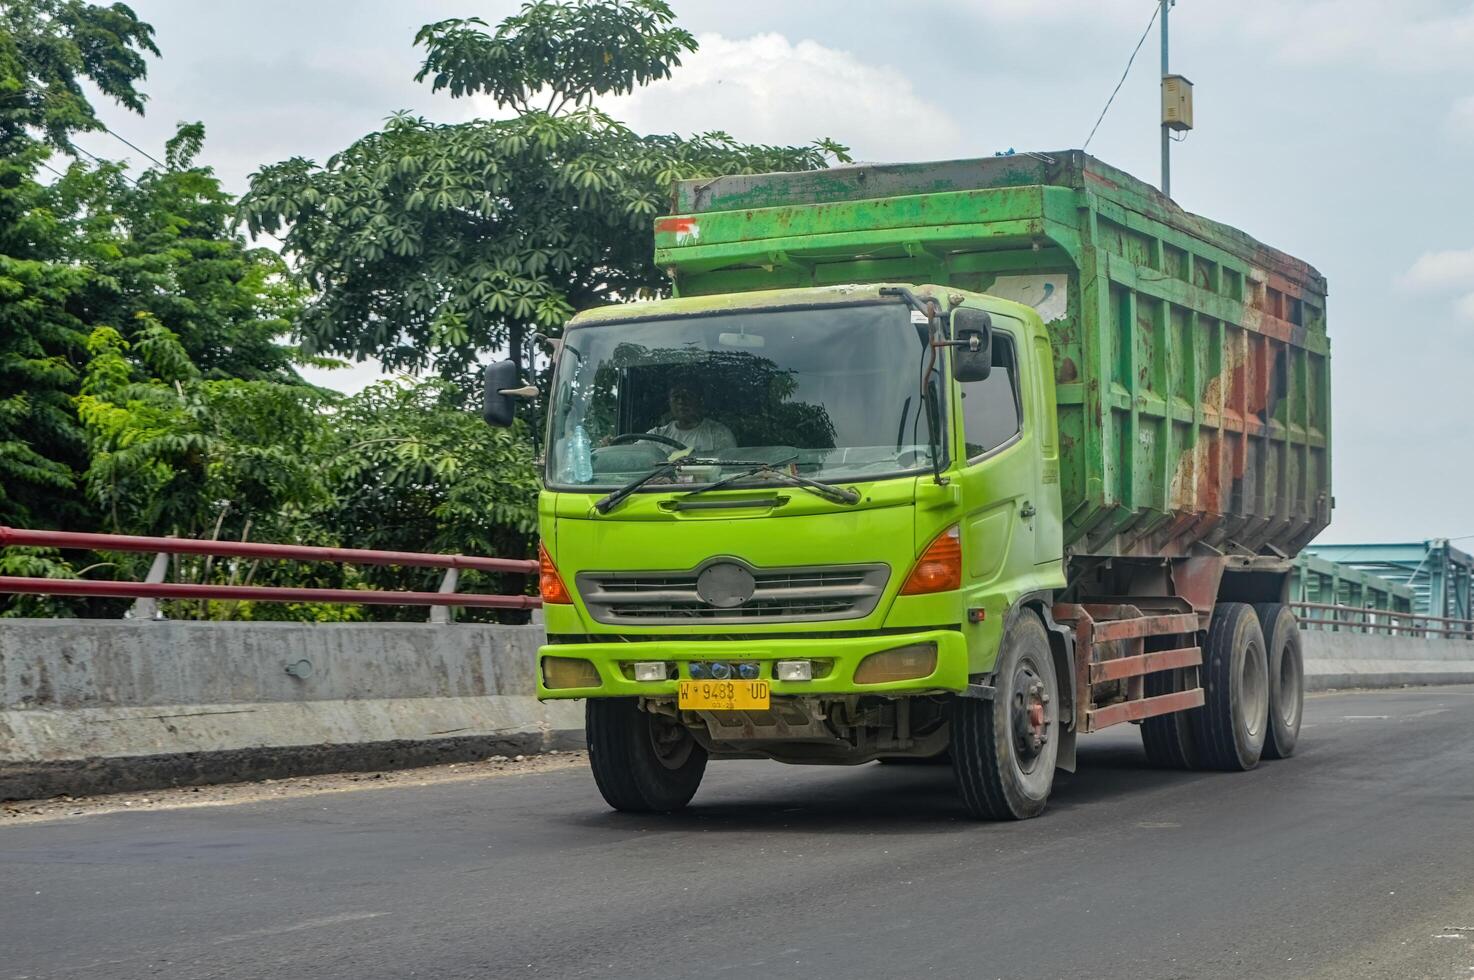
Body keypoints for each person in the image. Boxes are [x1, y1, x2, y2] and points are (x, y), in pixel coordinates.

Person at [648, 383, 736, 454]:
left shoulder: (719, 434)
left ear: (700, 400)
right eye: (676, 397)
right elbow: (636, 456)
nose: (681, 401)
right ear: (669, 402)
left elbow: (729, 469)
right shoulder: (656, 435)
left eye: (687, 396)